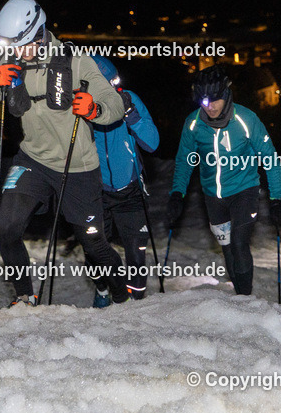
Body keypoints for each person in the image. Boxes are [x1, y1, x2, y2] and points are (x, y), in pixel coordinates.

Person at [0, 0, 130, 307]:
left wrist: (94, 109)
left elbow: (113, 104)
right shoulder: (11, 62)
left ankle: (122, 296)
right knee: (8, 227)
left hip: (78, 166)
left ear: (39, 32)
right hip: (33, 160)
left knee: (94, 242)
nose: (18, 52)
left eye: (22, 45)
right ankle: (24, 298)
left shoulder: (76, 61)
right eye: (13, 46)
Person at [168, 65, 281, 296]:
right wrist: (177, 194)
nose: (210, 106)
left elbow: (270, 159)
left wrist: (277, 198)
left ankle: (245, 299)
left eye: (215, 100)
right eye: (204, 101)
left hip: (244, 190)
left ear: (226, 94)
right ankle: (240, 296)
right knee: (227, 248)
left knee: (239, 243)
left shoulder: (246, 119)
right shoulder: (193, 124)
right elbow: (184, 161)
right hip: (213, 197)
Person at [89, 56, 160, 305]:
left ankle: (135, 302)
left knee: (136, 251)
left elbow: (152, 143)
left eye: (112, 84)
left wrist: (132, 116)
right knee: (93, 249)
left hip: (129, 189)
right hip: (96, 190)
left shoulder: (129, 99)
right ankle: (103, 290)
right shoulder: (81, 105)